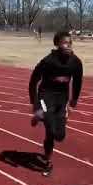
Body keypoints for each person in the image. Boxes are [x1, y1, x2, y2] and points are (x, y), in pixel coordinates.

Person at [28, 29, 83, 176]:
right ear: (57, 44)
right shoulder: (48, 61)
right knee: (50, 130)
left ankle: (41, 116)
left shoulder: (76, 63)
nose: (68, 45)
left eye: (70, 42)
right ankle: (48, 162)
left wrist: (73, 102)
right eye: (65, 42)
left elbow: (77, 83)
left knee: (60, 135)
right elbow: (33, 81)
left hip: (61, 99)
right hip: (45, 96)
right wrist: (34, 103)